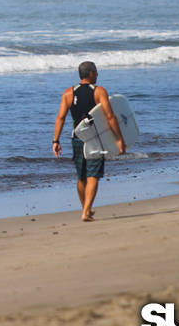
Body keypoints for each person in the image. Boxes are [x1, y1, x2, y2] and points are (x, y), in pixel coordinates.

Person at [52, 61, 126, 222]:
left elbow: (60, 118)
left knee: (81, 177)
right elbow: (109, 116)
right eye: (96, 72)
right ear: (91, 73)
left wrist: (55, 140)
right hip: (96, 138)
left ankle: (86, 208)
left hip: (77, 138)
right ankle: (85, 212)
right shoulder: (99, 91)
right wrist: (119, 138)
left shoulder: (68, 93)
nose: (98, 75)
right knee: (93, 175)